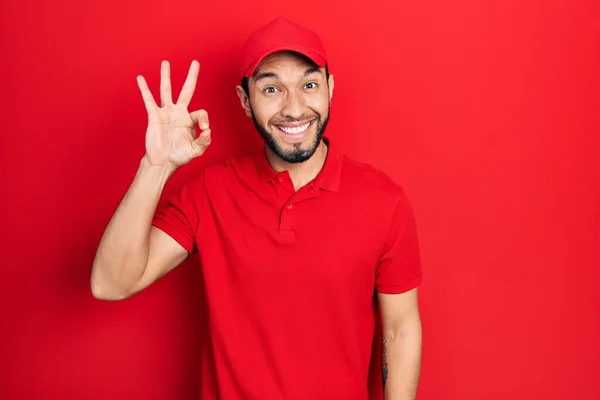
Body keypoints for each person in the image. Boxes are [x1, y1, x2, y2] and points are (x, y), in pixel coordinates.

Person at [91, 16, 423, 400]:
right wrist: (157, 166)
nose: (294, 108)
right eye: (271, 89)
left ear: (330, 89)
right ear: (245, 101)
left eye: (309, 85)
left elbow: (400, 330)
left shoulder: (384, 200)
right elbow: (111, 284)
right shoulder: (210, 192)